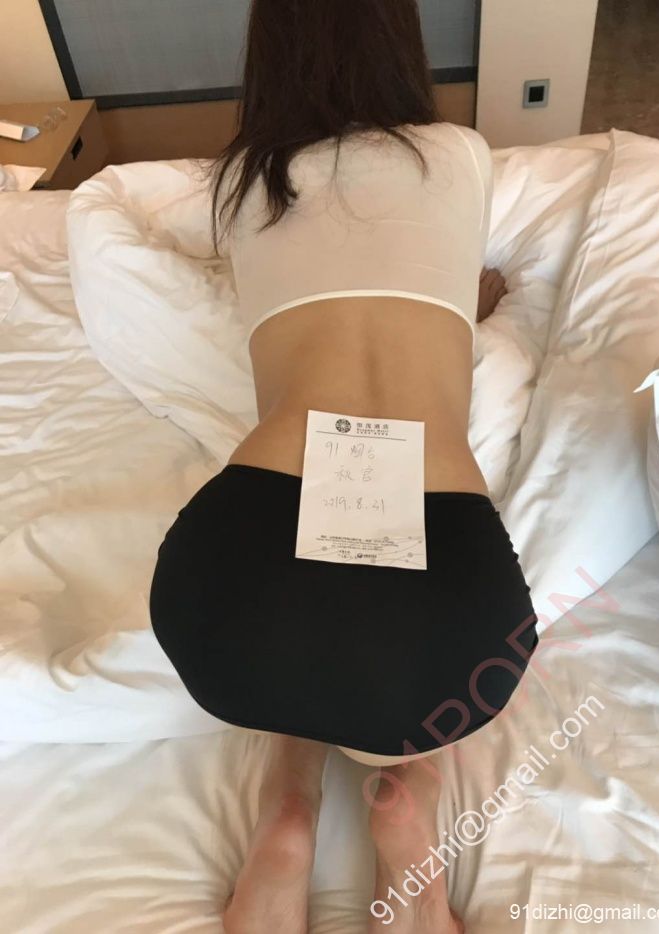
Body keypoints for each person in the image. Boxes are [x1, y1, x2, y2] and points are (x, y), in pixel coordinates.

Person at [148, 1, 537, 932]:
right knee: (406, 679)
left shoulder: (243, 185)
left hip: (228, 619)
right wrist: (470, 306)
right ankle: (411, 816)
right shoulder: (461, 155)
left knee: (298, 633)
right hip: (443, 639)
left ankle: (288, 813)